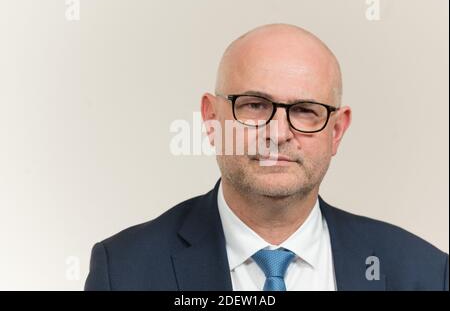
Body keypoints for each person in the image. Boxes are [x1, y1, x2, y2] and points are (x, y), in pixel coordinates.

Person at [85, 23, 448, 291]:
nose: (277, 133)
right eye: (255, 105)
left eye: (306, 109)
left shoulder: (424, 273)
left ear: (336, 131)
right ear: (211, 119)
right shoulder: (124, 272)